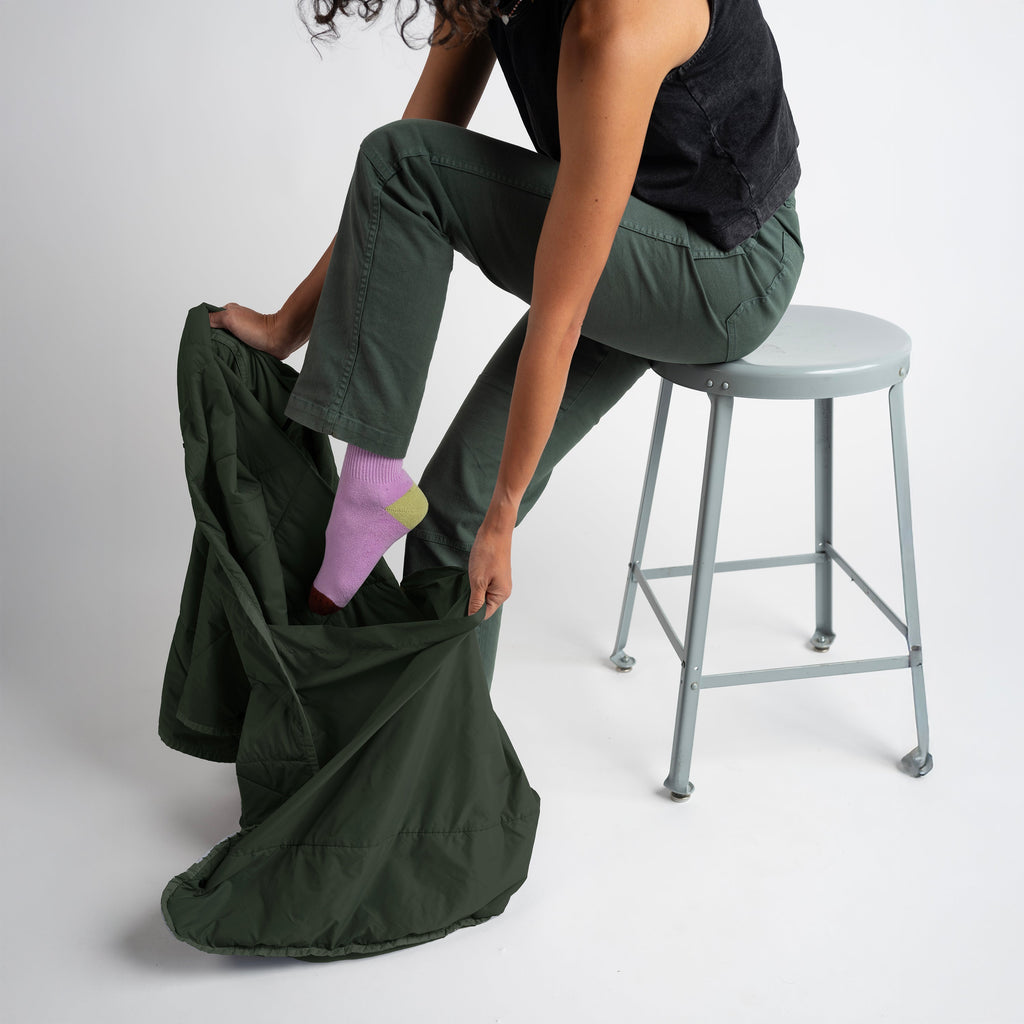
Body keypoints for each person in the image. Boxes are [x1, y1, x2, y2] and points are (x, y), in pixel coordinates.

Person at [209, 0, 804, 687]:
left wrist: (506, 513)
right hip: (631, 236)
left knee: (403, 165)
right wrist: (287, 326)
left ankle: (371, 480)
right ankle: (444, 774)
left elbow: (560, 311)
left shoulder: (617, 21)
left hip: (726, 269)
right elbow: (399, 177)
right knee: (448, 527)